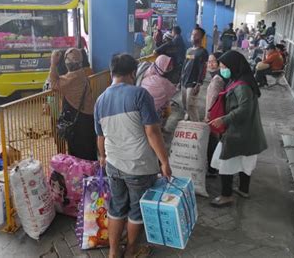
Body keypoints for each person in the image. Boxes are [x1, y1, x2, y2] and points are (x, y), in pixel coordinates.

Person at [94, 54, 172, 258]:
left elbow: (100, 137)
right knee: (136, 209)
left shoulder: (100, 100)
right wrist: (164, 162)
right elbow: (152, 132)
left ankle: (112, 252)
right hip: (139, 164)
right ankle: (130, 250)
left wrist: (102, 157)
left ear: (111, 72)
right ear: (133, 72)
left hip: (113, 164)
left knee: (117, 206)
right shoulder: (140, 94)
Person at [209, 50, 267, 207]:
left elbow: (244, 109)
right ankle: (243, 189)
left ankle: (226, 195)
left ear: (233, 66)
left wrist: (224, 119)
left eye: (223, 66)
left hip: (238, 131)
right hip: (247, 131)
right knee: (244, 159)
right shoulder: (242, 80)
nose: (221, 69)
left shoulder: (242, 86)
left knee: (225, 161)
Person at [49, 48, 97, 161]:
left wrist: (53, 63)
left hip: (78, 122)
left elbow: (54, 84)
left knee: (78, 154)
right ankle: (91, 175)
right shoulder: (83, 73)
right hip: (88, 119)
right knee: (89, 151)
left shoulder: (71, 78)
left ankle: (82, 176)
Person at [181, 26, 209, 121]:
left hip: (193, 82)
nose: (193, 36)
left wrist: (199, 83)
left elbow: (203, 69)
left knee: (191, 105)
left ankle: (196, 124)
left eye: (196, 35)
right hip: (184, 81)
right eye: (192, 34)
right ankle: (187, 114)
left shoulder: (203, 52)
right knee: (185, 103)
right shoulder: (188, 50)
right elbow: (185, 65)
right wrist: (180, 80)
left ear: (201, 38)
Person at [204, 52, 226, 177]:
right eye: (209, 61)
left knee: (212, 141)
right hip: (219, 114)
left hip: (214, 115)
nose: (210, 64)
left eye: (213, 61)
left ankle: (212, 170)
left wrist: (207, 116)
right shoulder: (220, 76)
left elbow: (212, 99)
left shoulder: (217, 79)